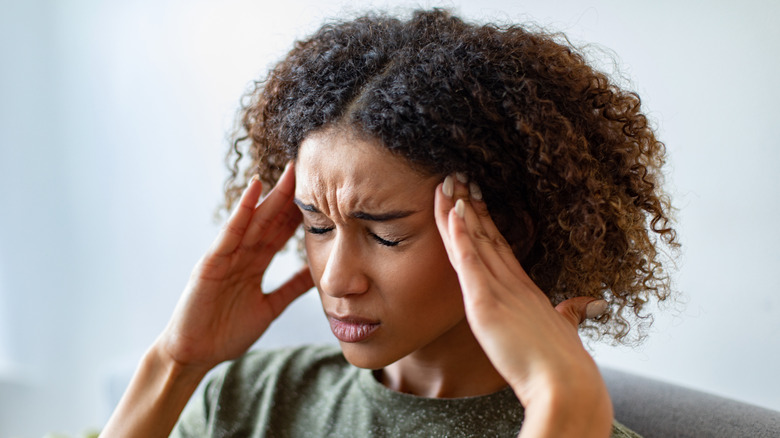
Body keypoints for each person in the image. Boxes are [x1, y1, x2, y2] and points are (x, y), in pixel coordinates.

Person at [102, 9, 678, 438]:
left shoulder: (573, 425)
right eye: (317, 227)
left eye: (385, 233)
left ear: (507, 232)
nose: (334, 280)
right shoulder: (254, 398)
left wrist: (565, 404)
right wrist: (175, 365)